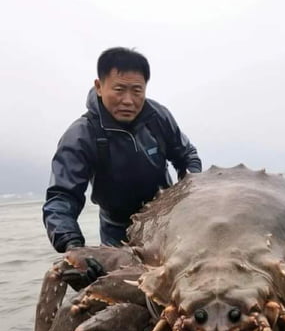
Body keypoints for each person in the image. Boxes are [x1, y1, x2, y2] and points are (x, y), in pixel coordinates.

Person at [43, 47, 202, 255]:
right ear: (99, 87)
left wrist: (189, 194)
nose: (128, 100)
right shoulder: (82, 135)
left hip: (166, 223)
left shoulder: (158, 117)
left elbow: (187, 156)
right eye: (119, 90)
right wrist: (72, 245)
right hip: (117, 231)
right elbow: (62, 196)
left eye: (137, 91)